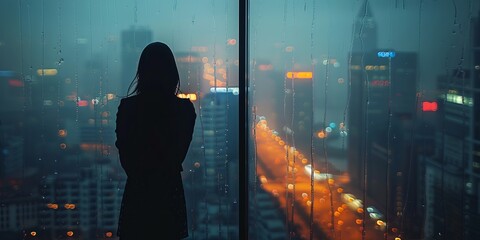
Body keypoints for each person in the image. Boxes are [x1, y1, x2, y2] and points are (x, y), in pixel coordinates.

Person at [115, 42, 196, 239]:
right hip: (169, 195)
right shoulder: (184, 110)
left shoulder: (127, 109)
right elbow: (178, 156)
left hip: (137, 197)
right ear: (172, 73)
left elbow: (127, 160)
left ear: (142, 72)